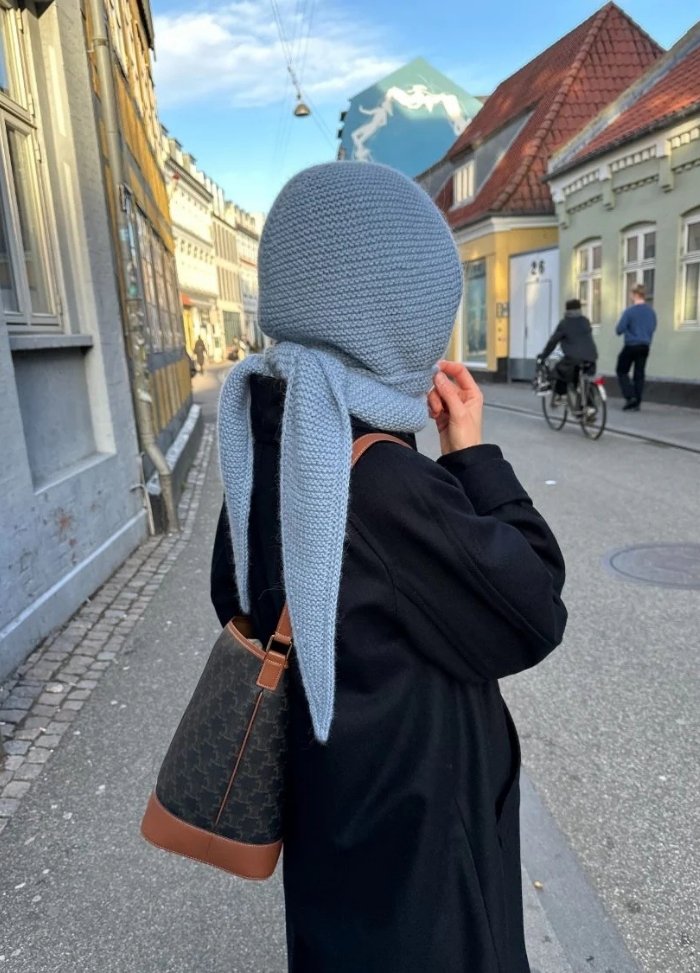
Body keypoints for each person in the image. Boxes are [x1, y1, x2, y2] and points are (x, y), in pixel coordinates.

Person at [212, 162, 567, 973]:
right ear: (391, 316)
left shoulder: (266, 433)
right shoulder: (384, 481)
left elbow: (231, 592)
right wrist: (473, 456)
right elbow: (533, 605)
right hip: (421, 862)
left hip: (328, 819)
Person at [537, 298, 598, 405]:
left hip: (573, 359)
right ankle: (590, 407)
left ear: (567, 310)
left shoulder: (564, 323)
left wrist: (544, 355)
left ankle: (562, 396)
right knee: (583, 379)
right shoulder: (585, 321)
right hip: (591, 357)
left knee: (558, 372)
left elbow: (553, 341)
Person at [615, 284, 656, 411]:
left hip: (631, 345)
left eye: (631, 294)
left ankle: (630, 396)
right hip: (645, 346)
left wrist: (629, 330)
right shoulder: (651, 312)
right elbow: (653, 327)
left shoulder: (629, 311)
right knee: (639, 374)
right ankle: (637, 402)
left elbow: (619, 329)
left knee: (621, 370)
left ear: (634, 295)